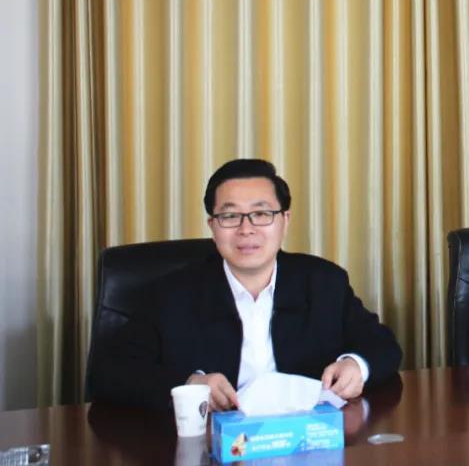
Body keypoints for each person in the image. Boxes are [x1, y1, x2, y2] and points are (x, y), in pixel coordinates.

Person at [93, 159, 402, 410]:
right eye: (230, 216)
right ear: (213, 226)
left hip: (305, 442)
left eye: (261, 213)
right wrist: (189, 385)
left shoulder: (323, 282)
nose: (246, 229)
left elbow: (382, 345)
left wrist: (356, 365)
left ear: (285, 221)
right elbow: (111, 372)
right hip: (212, 447)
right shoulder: (171, 294)